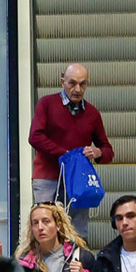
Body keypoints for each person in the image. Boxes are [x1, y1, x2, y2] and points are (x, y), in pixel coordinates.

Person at [27, 62, 113, 241]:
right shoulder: (47, 104)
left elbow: (107, 151)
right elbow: (35, 137)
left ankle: (76, 267)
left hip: (77, 181)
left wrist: (98, 153)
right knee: (44, 229)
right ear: (62, 82)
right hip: (48, 177)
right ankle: (44, 267)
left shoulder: (92, 114)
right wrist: (66, 155)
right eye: (72, 83)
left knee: (77, 232)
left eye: (83, 84)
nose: (78, 89)